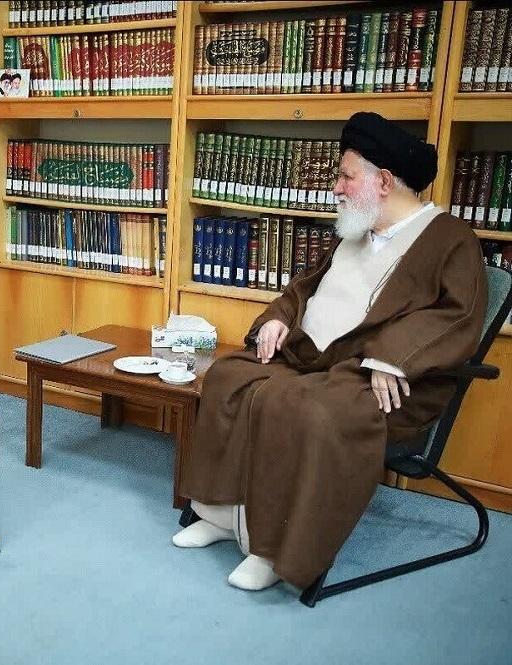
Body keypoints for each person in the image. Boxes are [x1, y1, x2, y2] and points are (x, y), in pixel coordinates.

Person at [172, 112, 487, 592]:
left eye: (346, 177)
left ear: (384, 182)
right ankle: (218, 516)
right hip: (310, 358)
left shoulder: (450, 238)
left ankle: (271, 548)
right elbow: (303, 288)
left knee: (302, 407)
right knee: (230, 376)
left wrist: (392, 357)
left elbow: (458, 315)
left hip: (377, 379)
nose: (336, 188)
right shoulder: (355, 230)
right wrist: (278, 317)